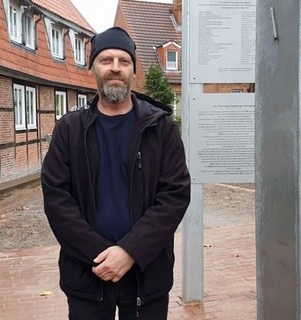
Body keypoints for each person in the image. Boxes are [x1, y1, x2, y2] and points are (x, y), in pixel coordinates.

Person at [41, 26, 191, 320]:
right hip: (87, 273)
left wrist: (129, 251)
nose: (115, 68)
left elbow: (174, 196)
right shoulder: (69, 130)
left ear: (134, 70)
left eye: (123, 61)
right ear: (93, 68)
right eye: (106, 60)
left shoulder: (161, 129)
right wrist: (100, 254)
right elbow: (57, 199)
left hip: (146, 275)